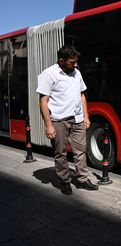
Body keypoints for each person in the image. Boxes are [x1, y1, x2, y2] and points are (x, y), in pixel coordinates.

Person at [36, 45, 98, 195]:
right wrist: (48, 125)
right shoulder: (49, 74)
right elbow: (43, 101)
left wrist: (86, 116)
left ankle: (83, 179)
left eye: (76, 62)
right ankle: (64, 181)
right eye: (72, 62)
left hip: (77, 119)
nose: (75, 65)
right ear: (62, 61)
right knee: (60, 152)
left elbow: (82, 95)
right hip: (58, 120)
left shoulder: (76, 73)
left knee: (81, 151)